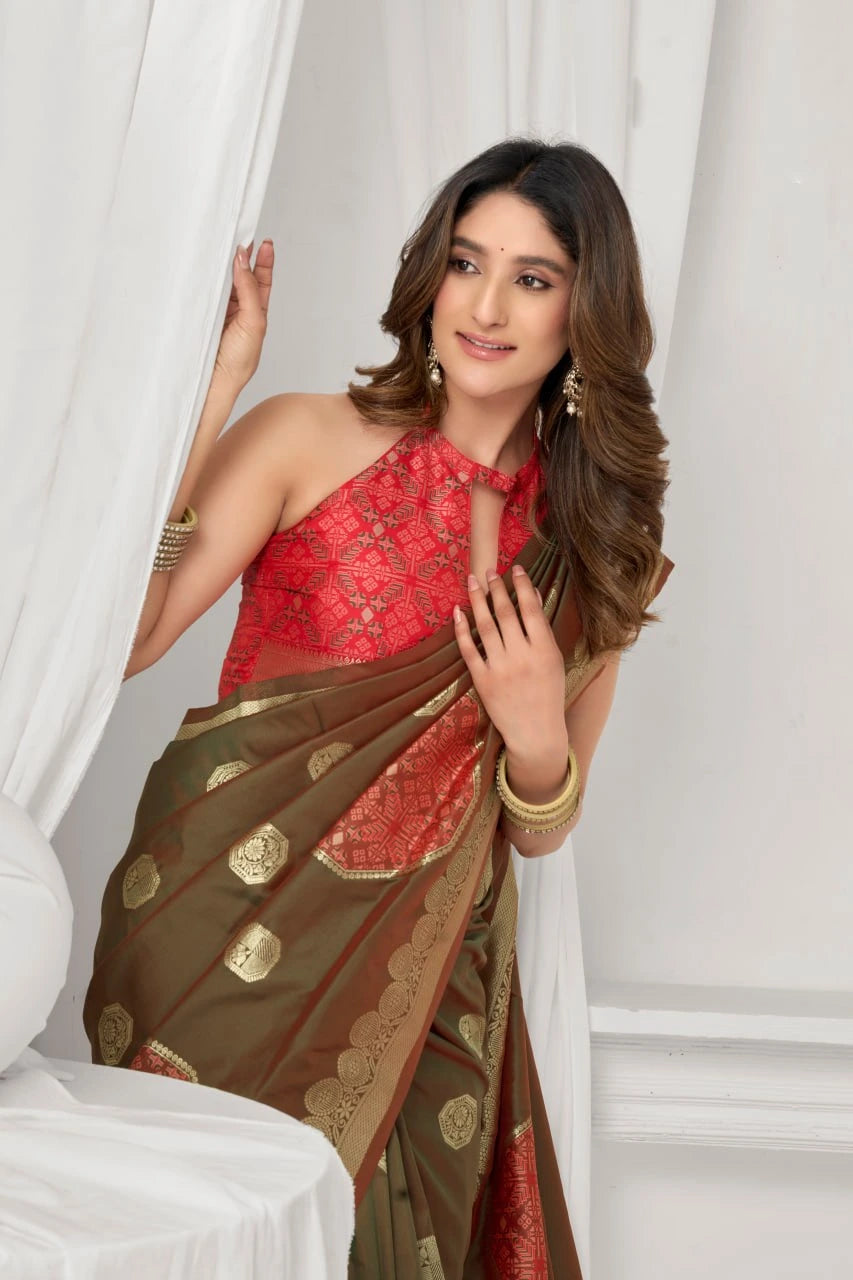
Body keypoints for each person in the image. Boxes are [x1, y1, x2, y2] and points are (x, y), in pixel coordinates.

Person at [84, 137, 674, 1278]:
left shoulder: (596, 551)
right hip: (213, 944)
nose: (486, 304)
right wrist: (213, 394)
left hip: (433, 988)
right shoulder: (309, 436)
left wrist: (536, 728)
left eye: (533, 277)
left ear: (581, 315)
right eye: (465, 262)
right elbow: (130, 638)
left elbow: (541, 825)